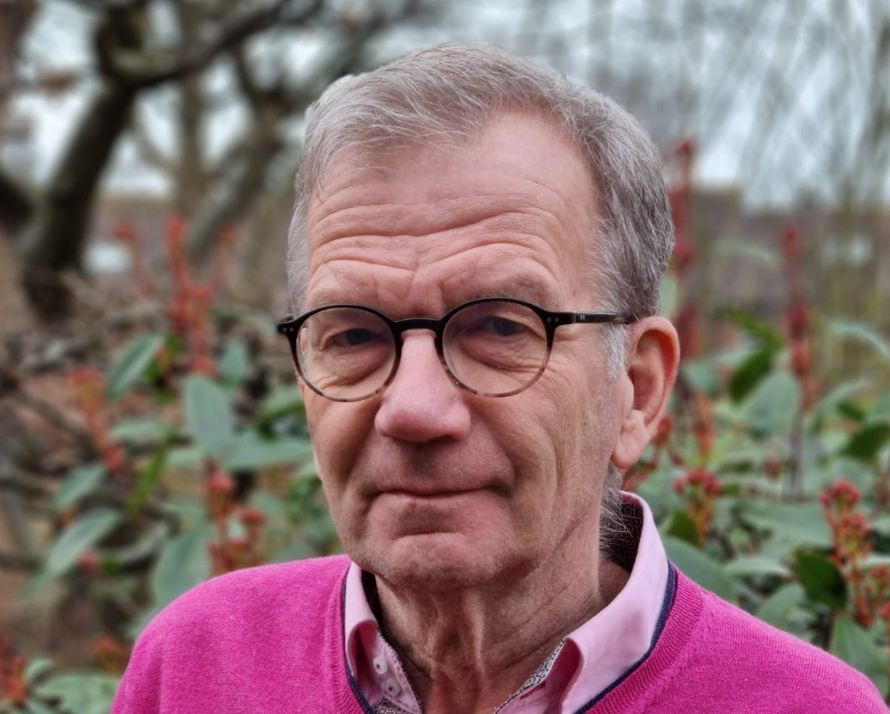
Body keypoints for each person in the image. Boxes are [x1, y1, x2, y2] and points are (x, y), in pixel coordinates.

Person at [111, 43, 886, 714]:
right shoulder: (196, 669)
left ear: (638, 390)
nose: (412, 409)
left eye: (500, 328)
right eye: (354, 335)